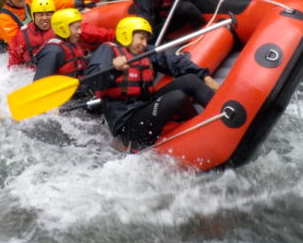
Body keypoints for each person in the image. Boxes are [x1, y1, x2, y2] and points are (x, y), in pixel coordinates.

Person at [84, 16, 219, 149]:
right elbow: (93, 81)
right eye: (141, 38)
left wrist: (204, 76)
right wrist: (113, 69)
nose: (144, 43)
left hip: (145, 105)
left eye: (146, 39)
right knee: (177, 97)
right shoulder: (107, 50)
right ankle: (201, 130)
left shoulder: (145, 51)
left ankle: (220, 115)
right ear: (126, 35)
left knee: (190, 80)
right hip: (128, 123)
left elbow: (173, 62)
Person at [9, 0, 115, 69]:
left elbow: (94, 33)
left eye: (48, 14)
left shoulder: (64, 24)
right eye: (40, 15)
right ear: (33, 16)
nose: (45, 18)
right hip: (37, 75)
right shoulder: (21, 36)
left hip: (66, 71)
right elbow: (13, 64)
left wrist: (117, 36)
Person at [0, 0, 96, 45]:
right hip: (12, 54)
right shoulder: (3, 19)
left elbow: (54, 3)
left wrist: (80, 3)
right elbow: (18, 44)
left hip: (36, 39)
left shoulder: (29, 2)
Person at [33, 8, 114, 82]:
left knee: (107, 48)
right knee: (106, 48)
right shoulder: (53, 51)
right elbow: (39, 83)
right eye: (76, 28)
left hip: (80, 85)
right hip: (69, 93)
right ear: (63, 29)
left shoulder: (70, 43)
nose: (80, 32)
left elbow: (80, 64)